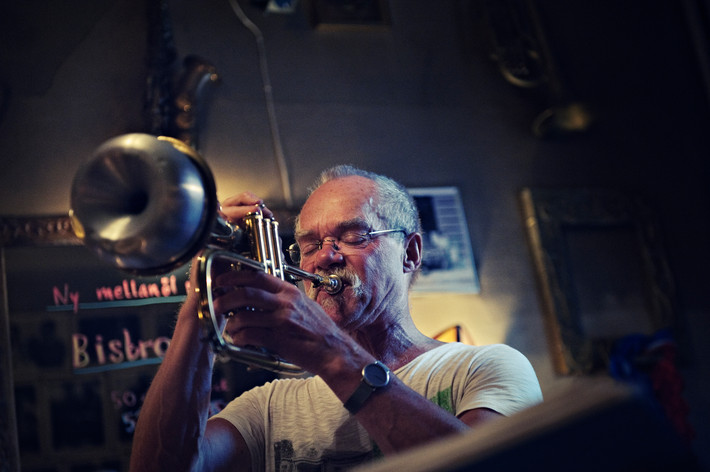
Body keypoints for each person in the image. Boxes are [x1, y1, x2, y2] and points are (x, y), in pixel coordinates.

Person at [129, 165, 543, 471]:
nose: (325, 257)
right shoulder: (268, 407)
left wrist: (331, 353)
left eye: (353, 236)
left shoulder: (483, 369)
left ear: (411, 253)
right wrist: (199, 302)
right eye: (309, 244)